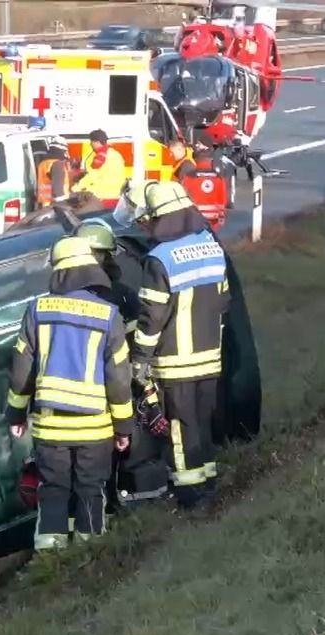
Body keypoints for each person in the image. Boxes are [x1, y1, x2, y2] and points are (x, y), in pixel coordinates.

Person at [5, 236, 134, 551]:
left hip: (51, 427)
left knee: (53, 489)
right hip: (96, 428)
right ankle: (90, 554)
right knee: (91, 490)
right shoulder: (109, 315)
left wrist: (16, 414)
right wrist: (123, 428)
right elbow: (119, 379)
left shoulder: (38, 310)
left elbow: (21, 370)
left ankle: (50, 557)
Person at [114, 180, 229, 510]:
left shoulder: (159, 259)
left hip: (175, 363)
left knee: (180, 429)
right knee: (202, 423)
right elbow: (224, 299)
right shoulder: (211, 245)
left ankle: (191, 497)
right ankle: (209, 482)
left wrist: (140, 360)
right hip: (210, 358)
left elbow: (152, 318)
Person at [72, 129, 128, 206]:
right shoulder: (115, 154)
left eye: (91, 142)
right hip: (115, 195)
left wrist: (75, 188)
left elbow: (92, 176)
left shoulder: (101, 156)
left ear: (97, 142)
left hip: (102, 196)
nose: (90, 144)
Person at [36, 138, 73, 208]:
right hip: (54, 205)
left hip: (44, 203)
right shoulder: (57, 164)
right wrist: (63, 206)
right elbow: (57, 189)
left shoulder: (43, 163)